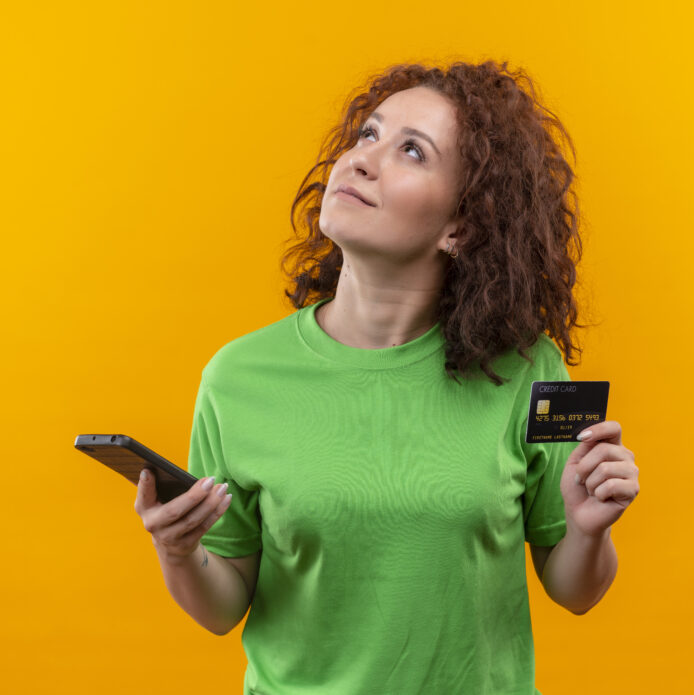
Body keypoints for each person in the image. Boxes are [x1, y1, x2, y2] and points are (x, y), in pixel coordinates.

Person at [134, 60, 640, 694]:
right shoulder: (235, 375)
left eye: (411, 151)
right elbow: (222, 605)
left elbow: (577, 592)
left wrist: (590, 529)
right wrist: (178, 552)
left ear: (462, 225)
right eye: (367, 135)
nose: (362, 160)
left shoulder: (534, 370)